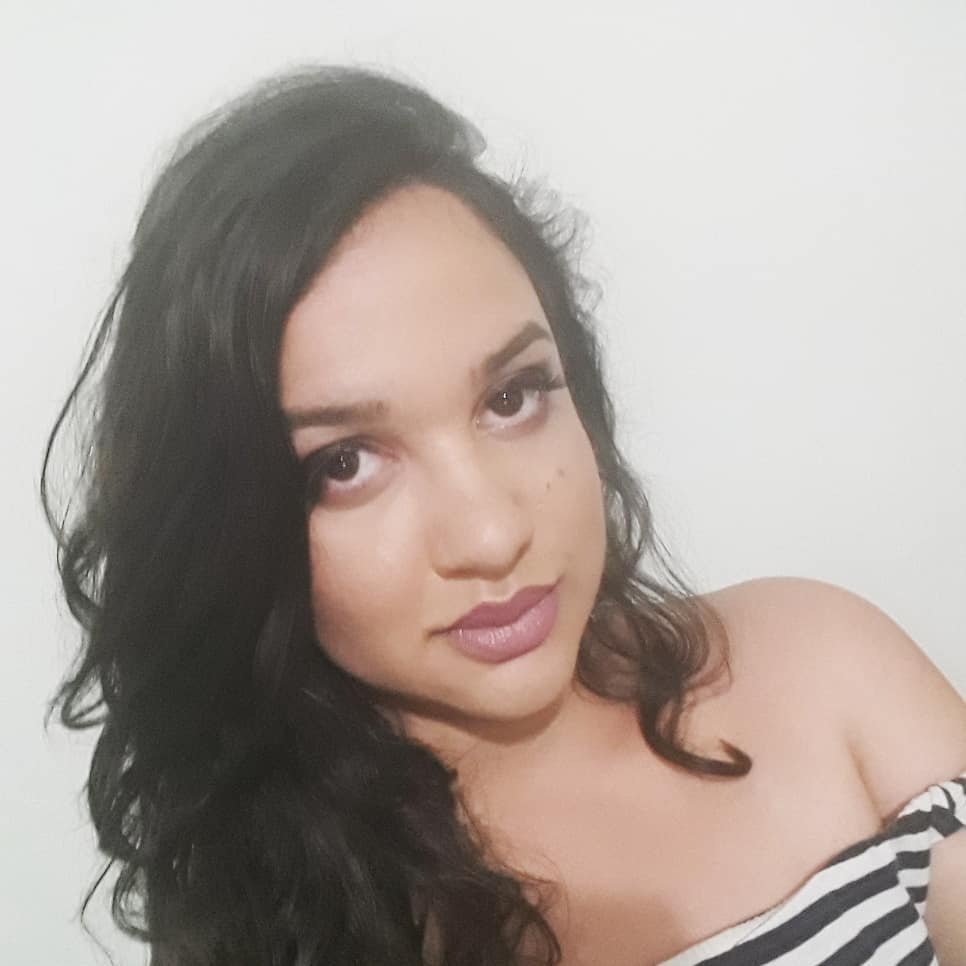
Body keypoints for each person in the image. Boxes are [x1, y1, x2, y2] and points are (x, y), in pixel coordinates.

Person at [41, 65, 966, 966]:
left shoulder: (822, 664)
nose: (491, 536)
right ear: (229, 526)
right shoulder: (272, 916)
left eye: (513, 396)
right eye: (346, 463)